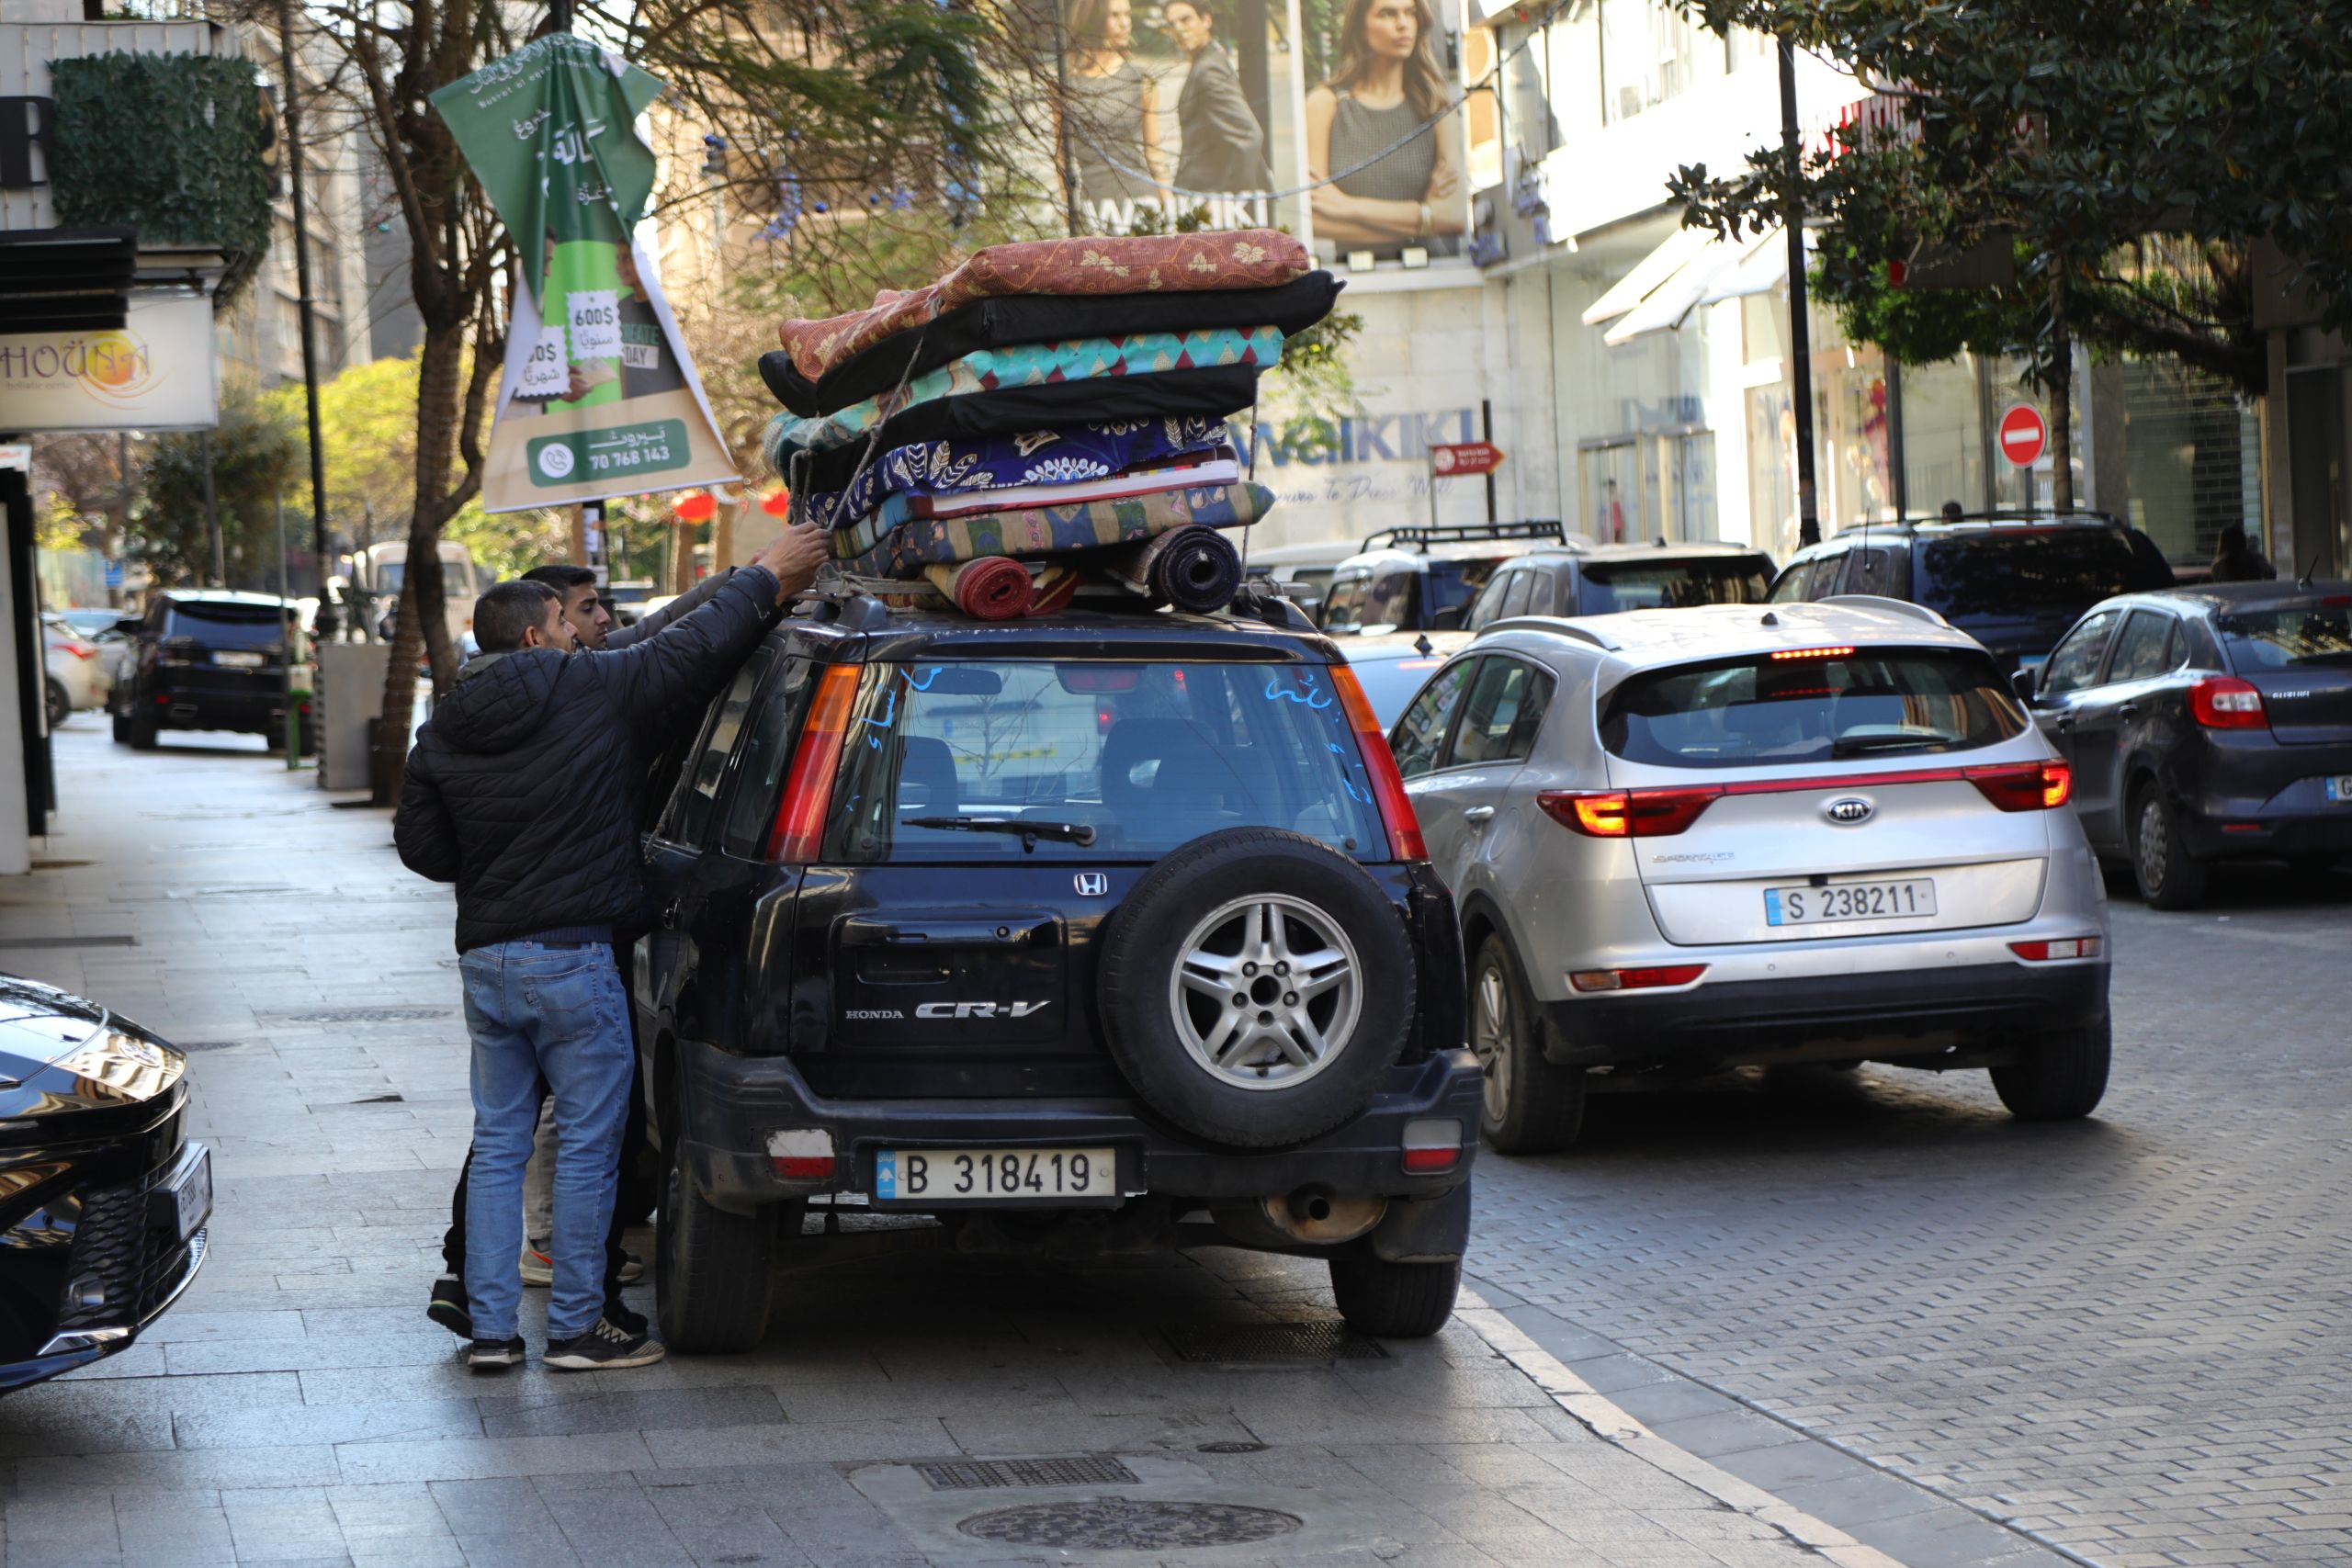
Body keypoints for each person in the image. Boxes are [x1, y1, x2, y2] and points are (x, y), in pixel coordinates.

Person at [396, 525, 829, 1371]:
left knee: (498, 1142)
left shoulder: (445, 723)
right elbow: (686, 653)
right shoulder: (581, 687)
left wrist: (493, 861)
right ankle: (576, 1327)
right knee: (592, 1144)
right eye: (566, 620)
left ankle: (491, 1333)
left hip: (488, 961)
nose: (578, 632)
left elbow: (423, 848)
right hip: (574, 957)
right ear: (536, 636)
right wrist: (766, 578)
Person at [1304, 0, 1465, 258]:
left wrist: (1348, 207)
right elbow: (1313, 219)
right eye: (1387, 14)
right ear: (1359, 27)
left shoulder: (1435, 105)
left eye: (1410, 13)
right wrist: (1423, 217)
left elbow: (1455, 216)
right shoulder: (1325, 104)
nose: (1403, 24)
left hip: (1432, 275)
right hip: (1354, 278)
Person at [1063, 0, 1169, 212]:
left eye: (1127, 15)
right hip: (1093, 206)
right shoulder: (1066, 85)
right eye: (1115, 15)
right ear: (1094, 20)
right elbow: (1061, 158)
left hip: (1140, 202)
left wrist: (1170, 208)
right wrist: (1068, 212)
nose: (1125, 24)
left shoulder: (1141, 79)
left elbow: (1154, 153)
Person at [1163, 0, 1266, 195]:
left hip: (1212, 196)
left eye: (1186, 20)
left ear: (1206, 21)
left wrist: (1226, 199)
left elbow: (1248, 135)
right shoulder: (1207, 60)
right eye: (1172, 24)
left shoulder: (1209, 68)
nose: (1179, 29)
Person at [2210, 523, 2277, 582]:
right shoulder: (2257, 559)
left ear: (2222, 544)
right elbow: (2272, 574)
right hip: (2254, 594)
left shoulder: (2218, 566)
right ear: (2243, 540)